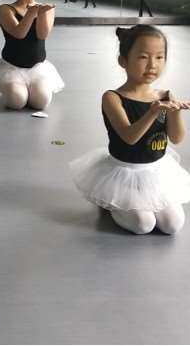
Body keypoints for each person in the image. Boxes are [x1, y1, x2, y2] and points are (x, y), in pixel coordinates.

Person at [70, 25, 190, 235]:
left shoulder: (164, 95)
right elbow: (129, 137)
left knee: (173, 225)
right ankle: (111, 202)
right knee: (143, 225)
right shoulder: (112, 98)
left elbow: (176, 138)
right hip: (124, 173)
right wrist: (153, 112)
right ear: (123, 61)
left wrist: (176, 111)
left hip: (156, 172)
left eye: (160, 57)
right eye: (143, 57)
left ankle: (137, 204)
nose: (152, 65)